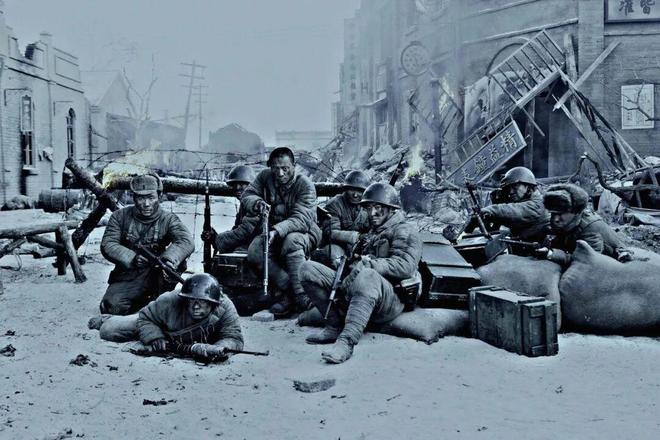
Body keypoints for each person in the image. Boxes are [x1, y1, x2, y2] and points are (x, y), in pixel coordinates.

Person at [300, 183, 423, 364]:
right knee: (307, 269)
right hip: (360, 289)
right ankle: (334, 326)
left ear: (391, 209)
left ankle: (346, 341)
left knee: (367, 275)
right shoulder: (374, 231)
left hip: (391, 298)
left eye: (378, 207)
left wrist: (369, 264)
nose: (372, 213)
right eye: (368, 208)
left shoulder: (404, 230)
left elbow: (404, 266)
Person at [89, 273, 244, 361]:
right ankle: (106, 318)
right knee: (108, 330)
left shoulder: (225, 308)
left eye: (202, 302)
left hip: (181, 340)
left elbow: (234, 338)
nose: (196, 306)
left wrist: (218, 348)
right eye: (192, 301)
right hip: (157, 324)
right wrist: (155, 337)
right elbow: (146, 317)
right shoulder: (170, 300)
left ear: (213, 303)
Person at [241, 147, 321, 317]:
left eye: (285, 168)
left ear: (294, 166)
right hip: (273, 232)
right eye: (276, 168)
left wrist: (277, 231)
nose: (280, 173)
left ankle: (302, 297)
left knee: (292, 241)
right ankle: (289, 291)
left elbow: (301, 219)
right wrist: (257, 203)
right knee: (255, 251)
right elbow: (248, 194)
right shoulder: (265, 177)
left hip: (305, 233)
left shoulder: (305, 185)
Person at [99, 173, 194, 315]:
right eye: (141, 198)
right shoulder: (119, 217)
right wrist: (132, 257)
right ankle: (144, 305)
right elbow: (108, 243)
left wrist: (168, 260)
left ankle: (154, 303)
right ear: (134, 198)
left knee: (164, 306)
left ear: (159, 196)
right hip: (130, 274)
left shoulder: (168, 219)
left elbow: (185, 241)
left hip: (159, 274)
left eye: (151, 197)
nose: (146, 204)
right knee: (111, 306)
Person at [534, 183, 628, 266]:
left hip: (609, 265)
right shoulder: (564, 223)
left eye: (560, 214)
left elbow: (587, 261)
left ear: (575, 212)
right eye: (553, 214)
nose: (555, 219)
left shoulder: (590, 227)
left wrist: (552, 254)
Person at [313, 170, 370, 267]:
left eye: (359, 191)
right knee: (335, 258)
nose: (355, 194)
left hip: (358, 248)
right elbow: (330, 232)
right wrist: (356, 237)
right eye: (352, 190)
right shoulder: (335, 204)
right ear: (345, 189)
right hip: (336, 246)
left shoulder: (367, 206)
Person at [479, 166, 550, 242]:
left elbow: (513, 210)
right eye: (508, 188)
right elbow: (492, 231)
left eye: (515, 186)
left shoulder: (537, 205)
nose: (511, 192)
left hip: (539, 247)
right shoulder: (520, 202)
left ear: (527, 186)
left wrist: (489, 210)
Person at [201, 165, 259, 253]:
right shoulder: (244, 203)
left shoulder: (255, 202)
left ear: (250, 185)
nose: (237, 188)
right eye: (234, 184)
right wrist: (214, 236)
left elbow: (244, 232)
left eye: (241, 184)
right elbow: (236, 231)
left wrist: (218, 239)